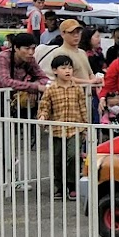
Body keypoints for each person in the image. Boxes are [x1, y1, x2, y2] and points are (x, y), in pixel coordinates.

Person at [37, 55, 89, 201]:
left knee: (73, 156)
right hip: (57, 130)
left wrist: (85, 126)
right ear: (55, 70)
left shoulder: (77, 89)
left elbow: (82, 108)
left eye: (70, 68)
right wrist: (42, 117)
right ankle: (59, 186)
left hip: (75, 128)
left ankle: (72, 185)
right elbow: (45, 106)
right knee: (57, 159)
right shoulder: (51, 89)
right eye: (63, 68)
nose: (67, 71)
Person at [0, 33, 49, 119]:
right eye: (27, 48)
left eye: (33, 48)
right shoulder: (3, 58)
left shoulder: (30, 60)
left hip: (4, 104)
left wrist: (34, 85)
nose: (31, 52)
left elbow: (44, 78)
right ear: (16, 48)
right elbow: (7, 82)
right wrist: (35, 87)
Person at [34, 19, 100, 89]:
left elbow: (90, 73)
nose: (76, 35)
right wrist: (89, 82)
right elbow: (65, 77)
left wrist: (94, 80)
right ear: (62, 34)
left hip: (86, 94)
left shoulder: (82, 52)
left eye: (78, 32)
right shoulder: (60, 52)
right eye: (71, 32)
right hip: (70, 95)